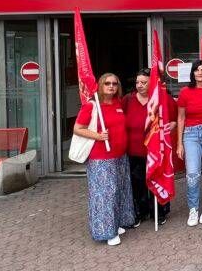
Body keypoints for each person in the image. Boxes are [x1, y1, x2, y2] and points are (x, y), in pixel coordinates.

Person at [73, 73, 135, 246]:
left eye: (115, 83)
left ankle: (115, 222)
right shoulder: (92, 106)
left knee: (119, 191)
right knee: (105, 195)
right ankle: (106, 231)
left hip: (120, 156)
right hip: (101, 158)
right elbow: (78, 128)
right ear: (100, 85)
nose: (111, 86)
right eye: (107, 83)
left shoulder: (118, 103)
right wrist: (98, 136)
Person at [122, 68, 176, 226]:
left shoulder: (162, 98)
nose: (139, 85)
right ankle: (140, 211)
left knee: (156, 180)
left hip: (155, 151)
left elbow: (173, 119)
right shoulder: (127, 99)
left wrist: (170, 127)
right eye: (137, 82)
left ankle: (158, 211)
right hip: (134, 150)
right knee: (137, 183)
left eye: (144, 82)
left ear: (152, 83)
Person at [175, 60, 202, 227]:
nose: (200, 73)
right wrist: (179, 143)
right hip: (190, 134)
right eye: (197, 70)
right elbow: (180, 118)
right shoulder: (185, 92)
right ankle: (193, 209)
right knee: (192, 173)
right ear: (192, 73)